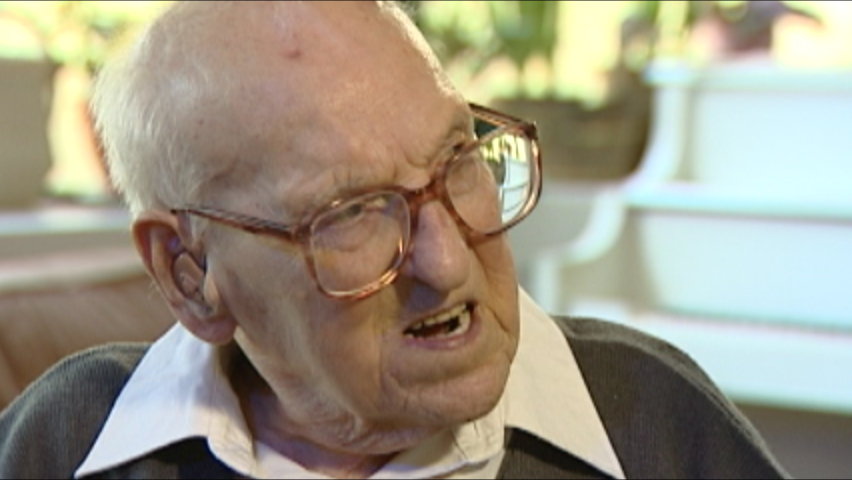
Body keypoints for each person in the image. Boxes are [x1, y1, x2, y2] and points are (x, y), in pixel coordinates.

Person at [0, 2, 788, 478]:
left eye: (459, 161)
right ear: (189, 272)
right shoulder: (63, 439)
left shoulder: (653, 420)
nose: (446, 262)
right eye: (351, 212)